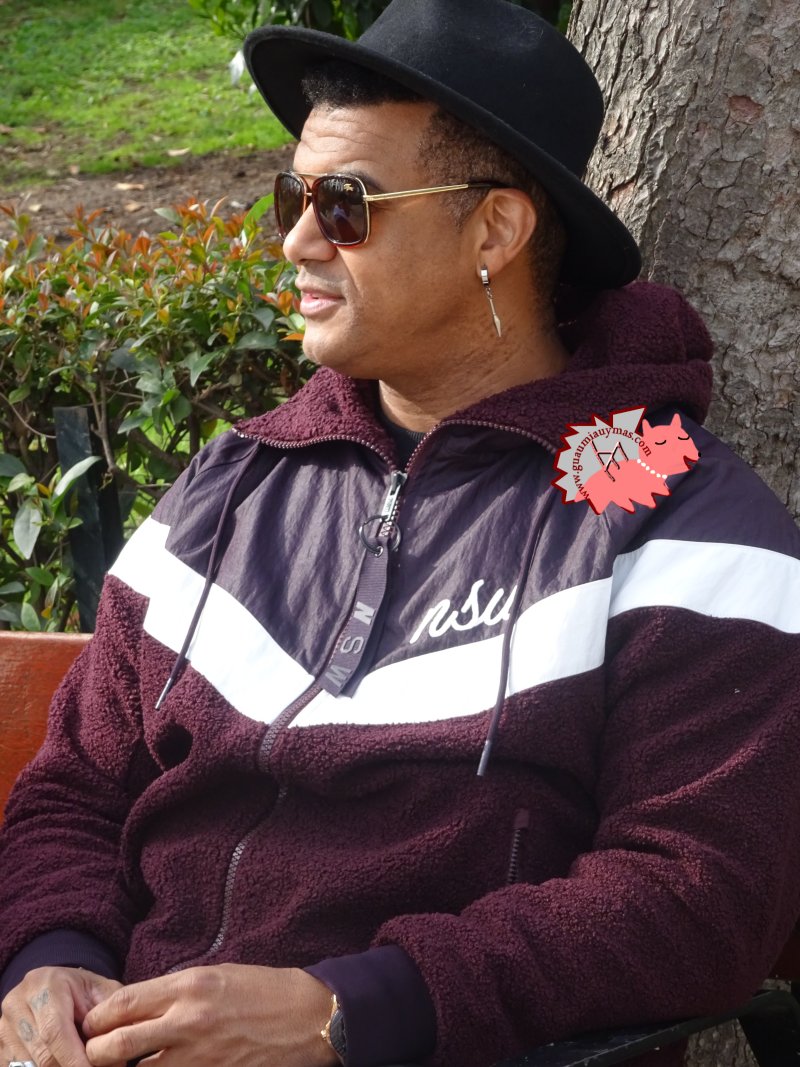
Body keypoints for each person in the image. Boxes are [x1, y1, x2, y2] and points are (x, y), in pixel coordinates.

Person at [2, 1, 800, 1066]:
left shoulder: (684, 524)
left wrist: (350, 1012)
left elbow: (699, 897)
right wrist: (49, 959)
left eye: (344, 205)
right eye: (290, 197)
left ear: (494, 232)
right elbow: (75, 790)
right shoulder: (231, 486)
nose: (294, 241)